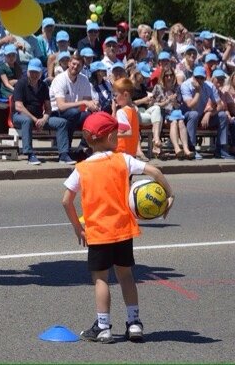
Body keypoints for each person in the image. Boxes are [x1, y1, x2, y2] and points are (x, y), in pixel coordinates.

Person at [62, 111, 174, 344]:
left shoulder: (82, 168)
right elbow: (155, 171)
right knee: (125, 274)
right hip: (123, 230)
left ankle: (103, 327)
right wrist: (170, 195)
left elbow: (66, 200)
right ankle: (134, 323)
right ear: (112, 137)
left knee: (101, 278)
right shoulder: (123, 159)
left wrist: (76, 227)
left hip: (98, 232)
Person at [12, 58, 72, 165]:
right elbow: (19, 106)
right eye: (32, 72)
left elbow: (48, 108)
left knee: (62, 122)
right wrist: (35, 119)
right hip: (20, 116)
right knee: (27, 121)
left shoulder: (44, 86)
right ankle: (30, 154)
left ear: (40, 73)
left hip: (39, 117)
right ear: (28, 72)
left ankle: (63, 154)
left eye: (37, 72)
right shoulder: (21, 83)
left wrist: (44, 119)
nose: (34, 74)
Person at [50, 54, 98, 162]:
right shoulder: (60, 79)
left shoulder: (84, 79)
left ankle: (82, 147)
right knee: (74, 113)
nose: (75, 67)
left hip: (75, 112)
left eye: (78, 65)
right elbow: (61, 106)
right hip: (56, 112)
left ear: (82, 67)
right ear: (69, 63)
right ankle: (66, 151)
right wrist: (84, 102)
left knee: (91, 117)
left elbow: (87, 103)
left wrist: (93, 104)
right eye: (73, 64)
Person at [181, 65, 232, 160]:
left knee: (222, 115)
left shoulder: (210, 86)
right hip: (186, 117)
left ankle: (221, 149)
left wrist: (209, 114)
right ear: (193, 77)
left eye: (202, 78)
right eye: (197, 77)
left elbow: (220, 105)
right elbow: (190, 105)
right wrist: (198, 92)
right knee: (193, 114)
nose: (199, 80)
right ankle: (191, 149)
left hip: (201, 115)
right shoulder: (185, 85)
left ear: (205, 78)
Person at [112, 77, 144, 161]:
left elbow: (127, 132)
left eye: (115, 95)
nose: (114, 98)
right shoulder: (134, 110)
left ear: (125, 95)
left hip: (122, 152)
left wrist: (112, 135)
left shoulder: (121, 112)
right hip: (131, 152)